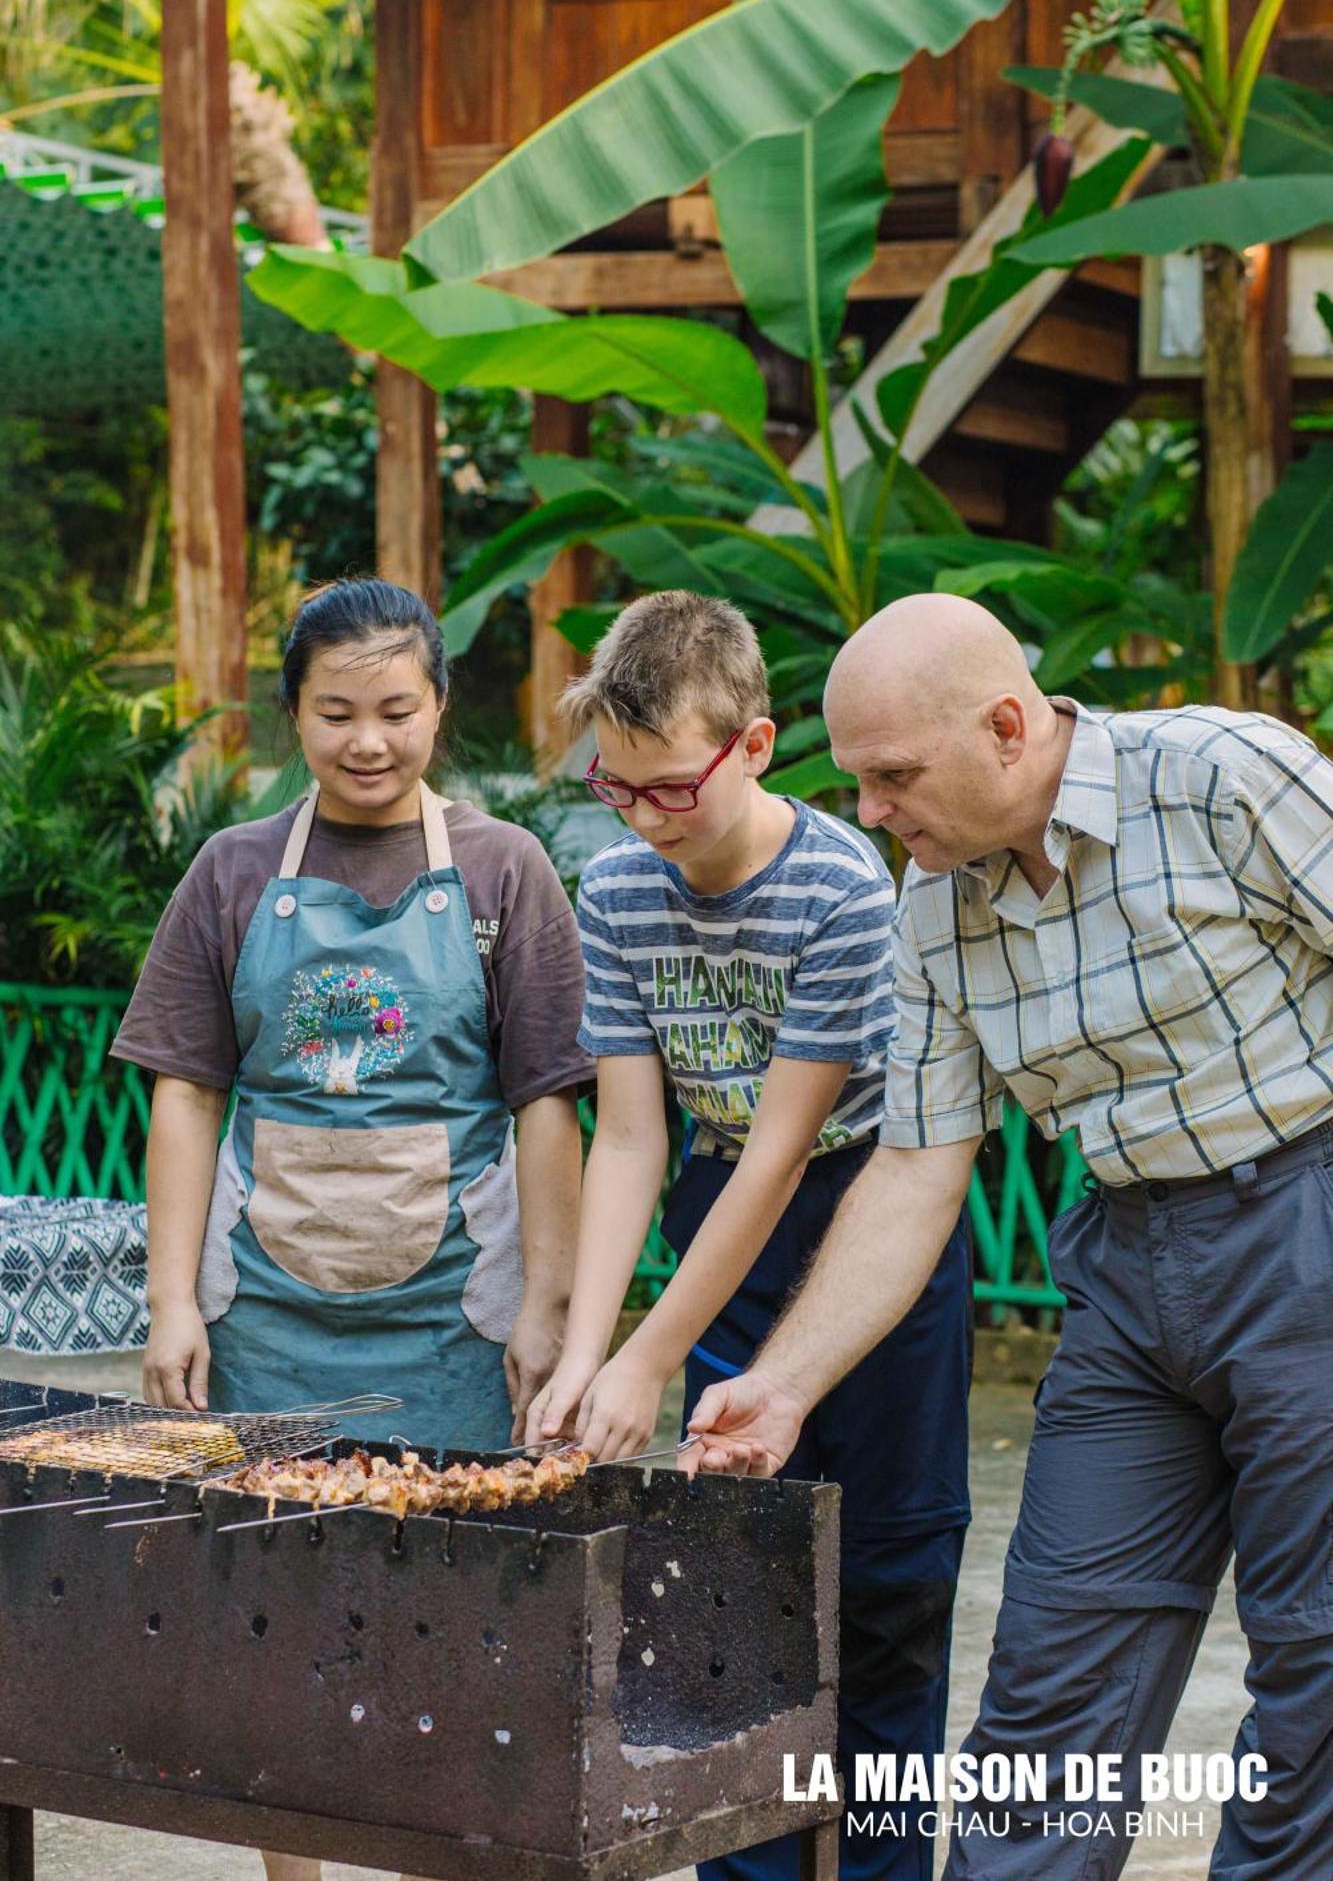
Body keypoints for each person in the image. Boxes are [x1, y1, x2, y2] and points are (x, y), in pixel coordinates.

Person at [687, 591, 1333, 1880]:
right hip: (1131, 1276)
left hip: (1310, 1226)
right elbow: (920, 1167)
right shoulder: (933, 910)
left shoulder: (1219, 777)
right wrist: (783, 1385)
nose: (868, 810)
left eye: (892, 776)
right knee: (1049, 1684)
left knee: (1318, 1680)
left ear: (1006, 726)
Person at [112, 578, 590, 1881]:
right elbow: (186, 1093)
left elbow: (551, 1105)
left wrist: (548, 1311)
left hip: (452, 1314)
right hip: (263, 1307)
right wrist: (170, 1303)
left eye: (396, 709)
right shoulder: (230, 872)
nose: (366, 742)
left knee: (451, 1613)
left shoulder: (503, 870)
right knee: (279, 1610)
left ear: (441, 706)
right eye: (335, 713)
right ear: (292, 719)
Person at [526, 590, 972, 1881]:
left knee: (887, 1584)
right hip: (712, 1213)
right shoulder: (613, 886)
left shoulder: (839, 883)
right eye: (618, 790)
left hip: (865, 1226)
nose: (646, 818)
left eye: (671, 788)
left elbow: (786, 1149)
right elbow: (628, 1137)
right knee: (726, 1589)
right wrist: (591, 1349)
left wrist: (647, 1362)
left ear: (756, 745)